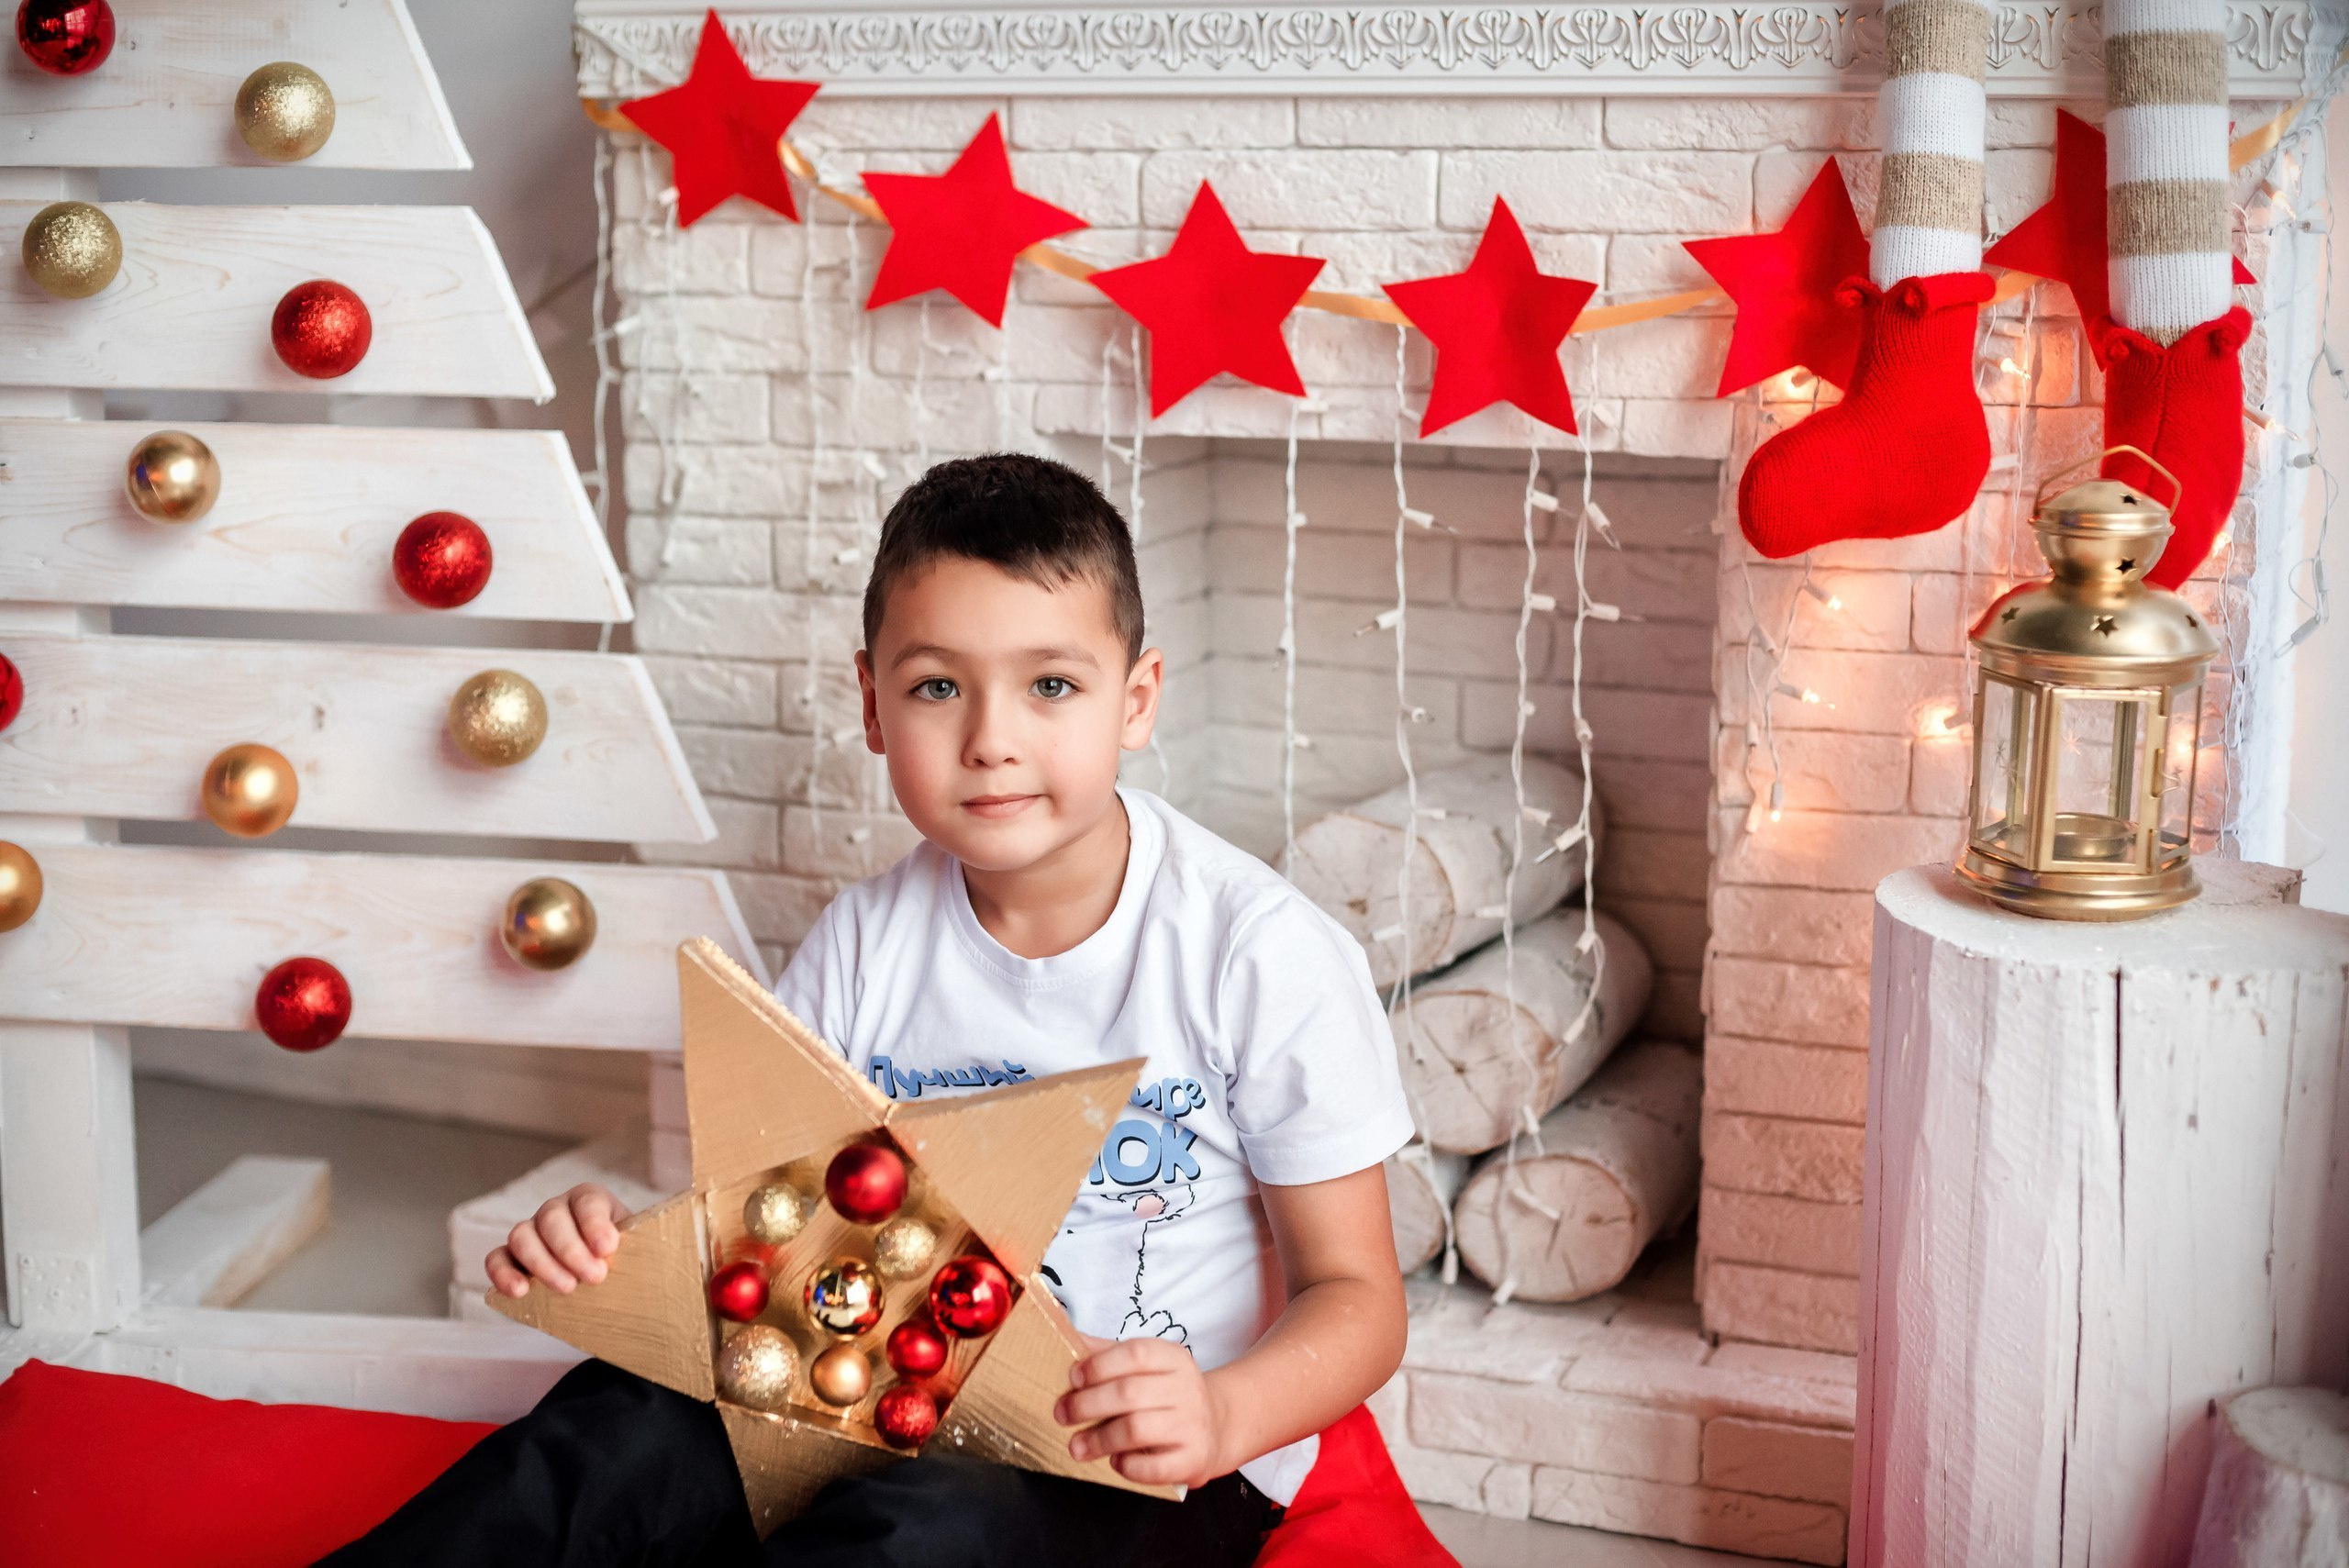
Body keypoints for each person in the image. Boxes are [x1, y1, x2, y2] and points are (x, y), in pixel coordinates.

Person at [327, 453, 1417, 1567]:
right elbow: (770, 1242)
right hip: (869, 1378)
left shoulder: (1256, 951)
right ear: (872, 704)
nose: (991, 737)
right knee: (615, 1427)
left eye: (1051, 685)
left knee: (925, 1532)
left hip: (1129, 1455)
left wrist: (1223, 1413)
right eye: (939, 686)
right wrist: (610, 1244)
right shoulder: (863, 942)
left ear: (1134, 700)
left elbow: (1360, 1295)